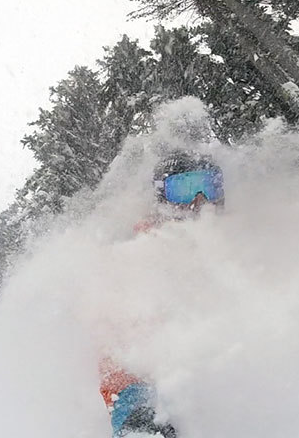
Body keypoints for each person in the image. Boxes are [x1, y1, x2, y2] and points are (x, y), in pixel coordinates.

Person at [99, 150, 224, 438]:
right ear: (162, 199)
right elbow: (117, 352)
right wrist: (137, 413)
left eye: (209, 185)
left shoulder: (243, 247)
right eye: (183, 190)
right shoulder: (136, 260)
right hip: (186, 409)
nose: (199, 201)